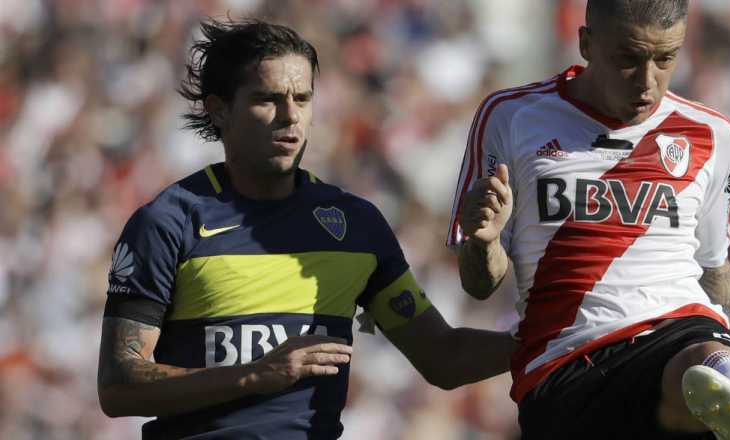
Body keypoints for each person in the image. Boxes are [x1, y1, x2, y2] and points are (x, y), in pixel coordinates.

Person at [96, 19, 516, 439]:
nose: (291, 116)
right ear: (219, 109)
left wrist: (561, 340)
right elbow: (119, 387)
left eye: (303, 98)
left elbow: (443, 357)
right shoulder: (168, 223)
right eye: (268, 99)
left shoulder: (356, 226)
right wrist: (255, 375)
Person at [448, 1, 730, 439]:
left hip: (676, 332)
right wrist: (483, 241)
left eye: (665, 59)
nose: (648, 82)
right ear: (587, 44)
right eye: (628, 58)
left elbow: (711, 265)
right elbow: (478, 284)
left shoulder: (711, 134)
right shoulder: (512, 116)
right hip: (565, 364)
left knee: (707, 360)